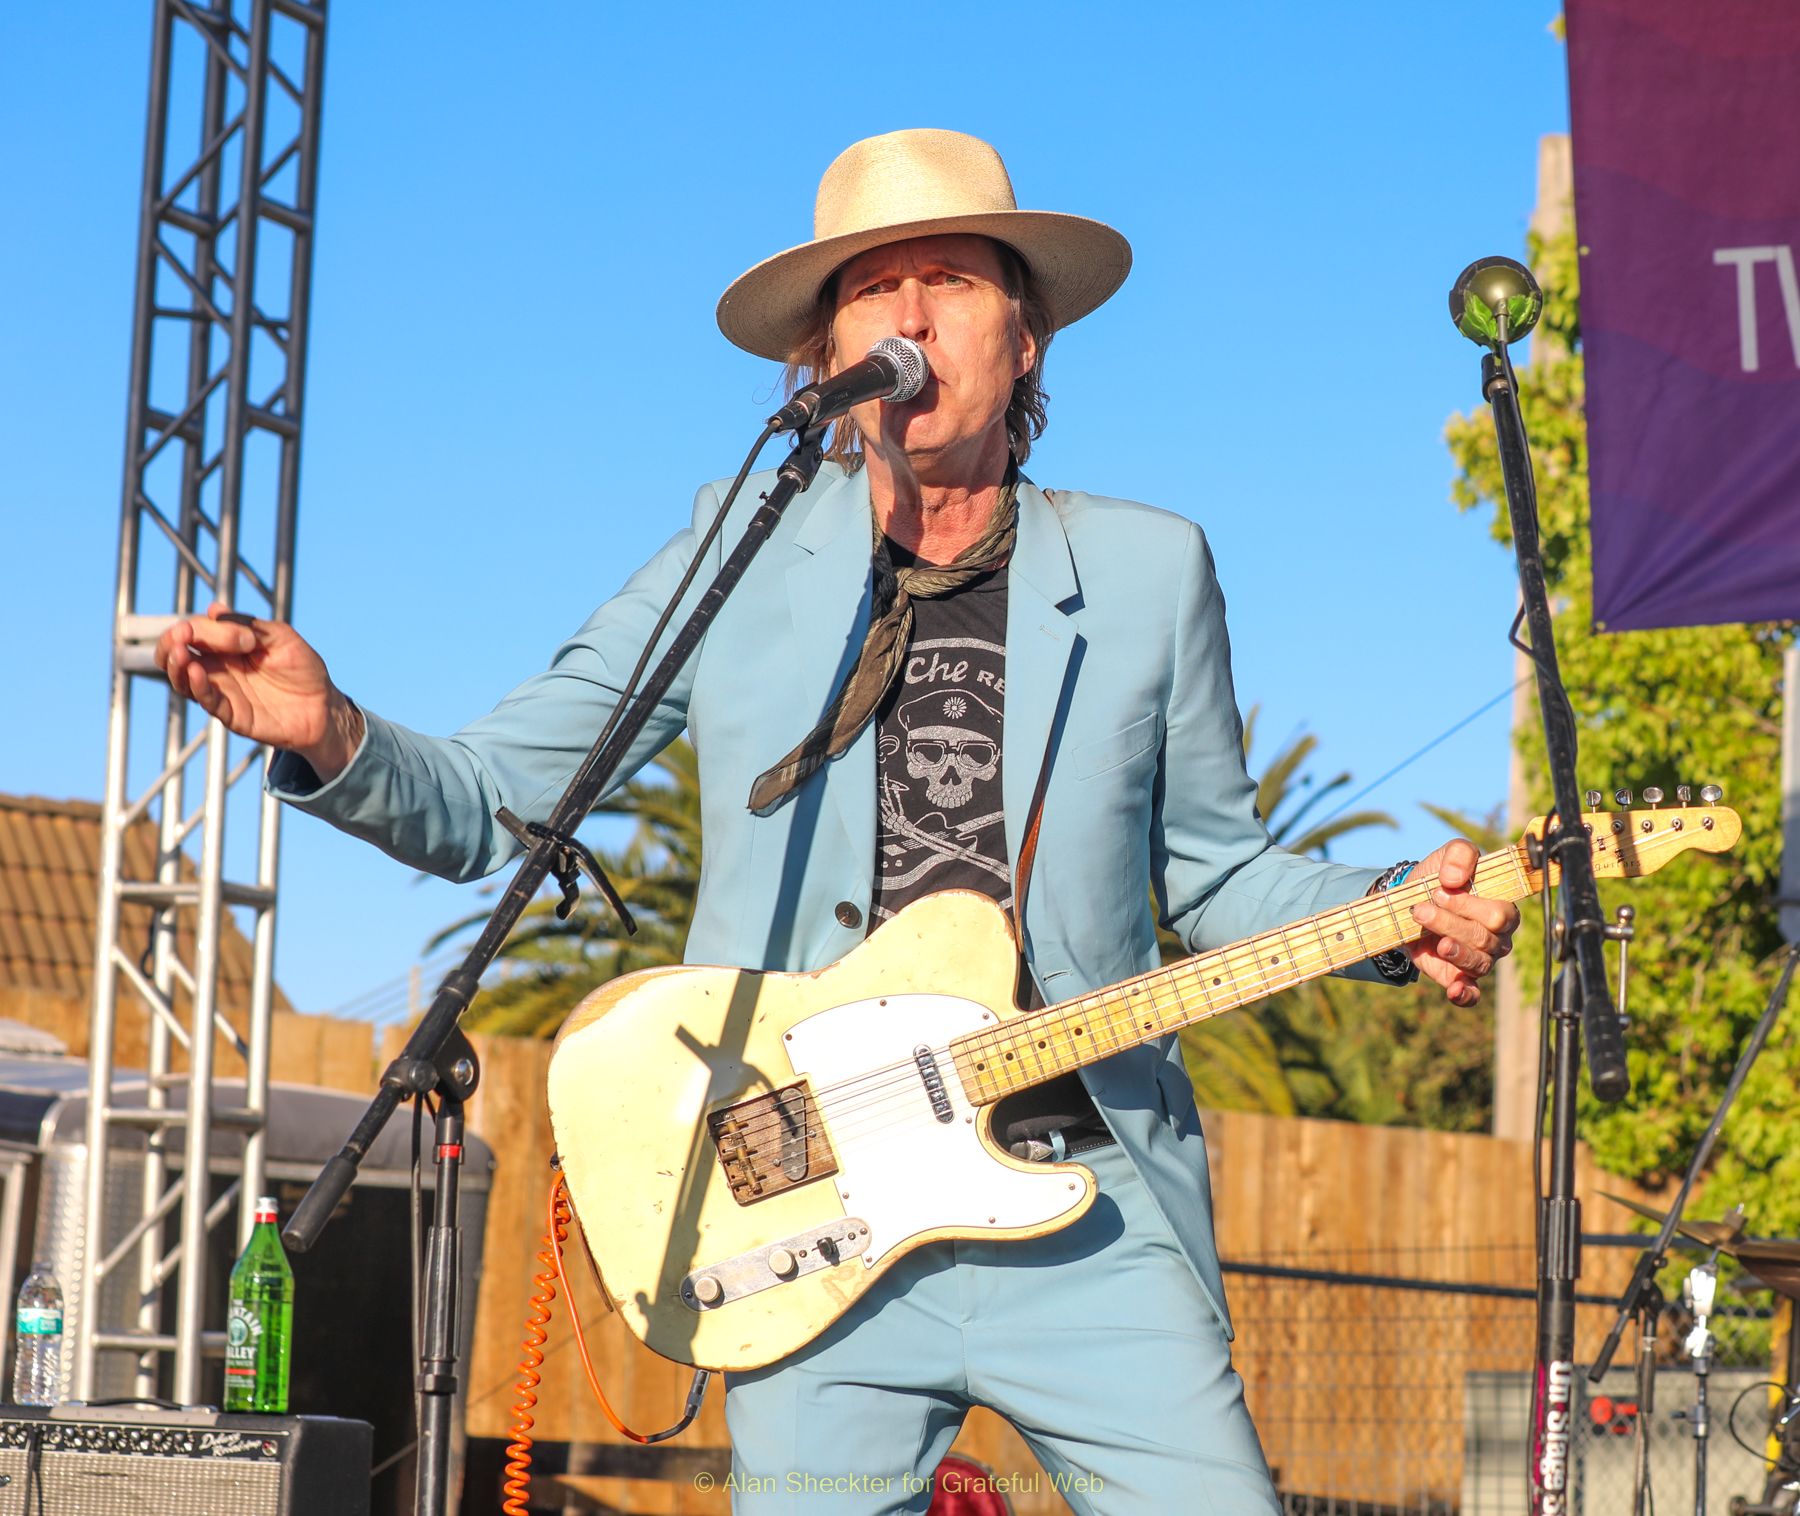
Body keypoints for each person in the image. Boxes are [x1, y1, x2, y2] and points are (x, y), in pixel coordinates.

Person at [157, 128, 1518, 1514]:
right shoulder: (738, 546)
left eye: (951, 283)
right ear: (823, 356)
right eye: (874, 291)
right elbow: (503, 794)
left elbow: (1215, 873)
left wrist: (1399, 908)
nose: (911, 320)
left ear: (1026, 335)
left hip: (1086, 1204)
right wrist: (330, 730)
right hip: (813, 1207)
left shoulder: (1147, 570)